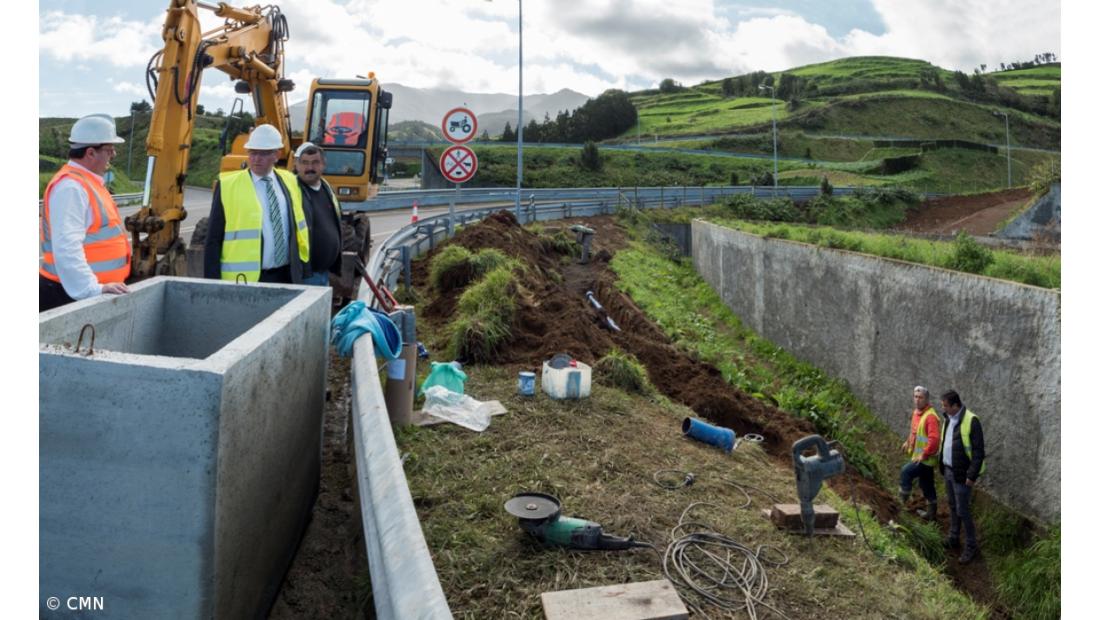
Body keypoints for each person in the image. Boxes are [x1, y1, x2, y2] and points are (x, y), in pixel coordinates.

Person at [40, 114, 132, 311]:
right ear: (90, 153)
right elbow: (67, 247)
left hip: (82, 293)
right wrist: (92, 289)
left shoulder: (87, 183)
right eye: (109, 149)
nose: (113, 154)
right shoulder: (71, 187)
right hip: (69, 295)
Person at [203, 124, 310, 284]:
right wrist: (212, 284)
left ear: (277, 154)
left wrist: (303, 269)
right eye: (252, 152)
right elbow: (213, 239)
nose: (256, 158)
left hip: (287, 276)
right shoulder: (227, 185)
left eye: (263, 153)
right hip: (244, 280)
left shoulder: (290, 181)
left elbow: (299, 230)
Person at [938, 389, 986, 564]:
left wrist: (971, 476)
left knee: (963, 511)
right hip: (949, 471)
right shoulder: (948, 419)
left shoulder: (971, 421)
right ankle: (953, 537)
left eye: (945, 405)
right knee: (952, 506)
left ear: (955, 405)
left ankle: (971, 546)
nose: (942, 408)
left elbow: (979, 452)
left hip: (963, 475)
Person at [294, 142, 343, 286]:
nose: (309, 168)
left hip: (324, 273)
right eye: (304, 163)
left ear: (323, 164)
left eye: (315, 162)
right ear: (297, 165)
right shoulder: (293, 190)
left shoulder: (326, 188)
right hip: (305, 274)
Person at [899, 386, 941, 520]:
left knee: (906, 472)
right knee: (926, 484)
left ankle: (901, 505)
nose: (917, 400)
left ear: (927, 399)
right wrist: (907, 441)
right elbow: (915, 431)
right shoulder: (917, 413)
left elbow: (934, 440)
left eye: (920, 397)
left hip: (925, 459)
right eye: (915, 397)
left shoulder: (930, 417)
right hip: (921, 457)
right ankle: (931, 514)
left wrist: (924, 454)